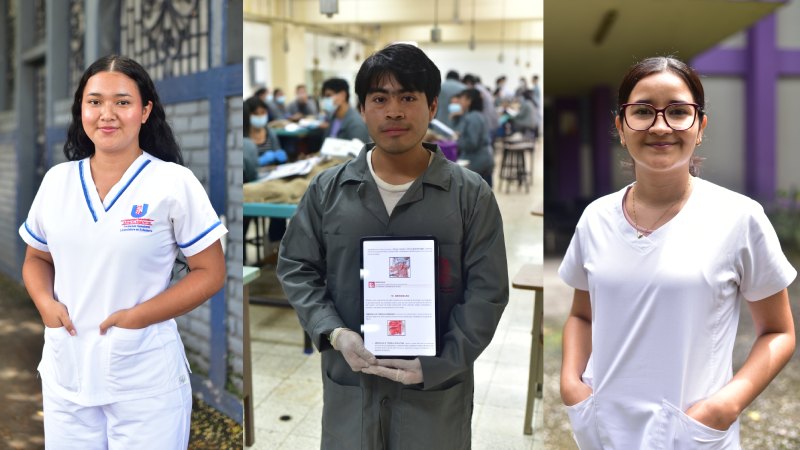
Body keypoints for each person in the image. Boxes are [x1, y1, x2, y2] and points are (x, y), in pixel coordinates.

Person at [276, 43, 509, 449]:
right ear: (362, 109)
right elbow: (296, 266)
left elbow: (487, 292)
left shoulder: (470, 195)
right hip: (352, 384)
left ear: (433, 106)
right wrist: (333, 333)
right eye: (380, 99)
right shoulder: (328, 190)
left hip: (435, 392)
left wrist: (441, 363)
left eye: (408, 97)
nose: (394, 111)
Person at [559, 56, 796, 449]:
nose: (660, 126)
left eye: (678, 112)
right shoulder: (595, 218)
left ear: (700, 126)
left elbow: (778, 331)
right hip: (603, 429)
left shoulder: (738, 218)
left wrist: (725, 405)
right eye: (642, 112)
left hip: (691, 432)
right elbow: (582, 315)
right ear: (620, 126)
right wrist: (571, 384)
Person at [19, 55, 228, 447]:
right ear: (81, 108)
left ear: (145, 110)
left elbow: (210, 271)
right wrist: (45, 303)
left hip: (144, 376)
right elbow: (37, 258)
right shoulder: (57, 182)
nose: (107, 114)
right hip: (68, 374)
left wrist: (137, 317)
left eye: (123, 102)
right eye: (95, 101)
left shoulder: (172, 182)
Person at [450, 88, 494, 186]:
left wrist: (457, 140)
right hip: (485, 157)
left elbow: (471, 143)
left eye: (462, 99)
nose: (460, 102)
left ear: (469, 101)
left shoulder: (473, 117)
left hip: (476, 160)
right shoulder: (479, 115)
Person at [319, 77, 370, 143]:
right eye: (324, 97)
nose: (325, 100)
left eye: (328, 96)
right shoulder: (333, 118)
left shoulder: (356, 124)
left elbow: (357, 152)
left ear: (343, 95)